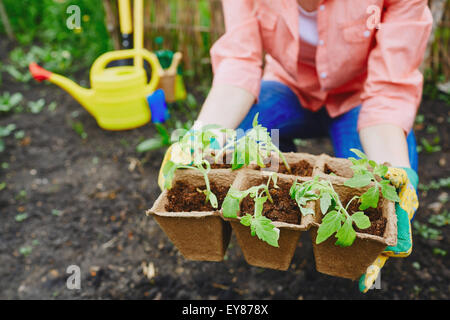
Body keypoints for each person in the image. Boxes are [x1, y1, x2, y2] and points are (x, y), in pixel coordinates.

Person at [161, 0, 432, 292]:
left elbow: (389, 91)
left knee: (378, 193)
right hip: (288, 86)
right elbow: (239, 61)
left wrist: (394, 167)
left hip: (361, 98)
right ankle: (276, 214)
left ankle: (353, 265)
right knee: (239, 143)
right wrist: (203, 135)